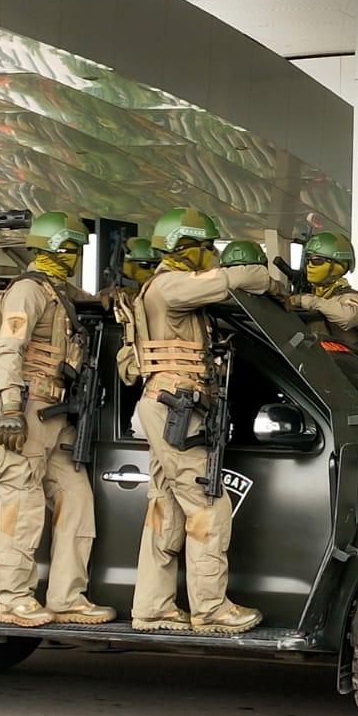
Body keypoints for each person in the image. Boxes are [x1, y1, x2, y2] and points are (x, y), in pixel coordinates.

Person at [130, 207, 279, 634]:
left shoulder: (173, 291)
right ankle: (210, 609)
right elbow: (232, 280)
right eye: (202, 247)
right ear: (182, 247)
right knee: (209, 506)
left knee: (167, 509)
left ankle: (154, 607)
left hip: (173, 405)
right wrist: (266, 280)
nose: (208, 256)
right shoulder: (171, 286)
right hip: (174, 407)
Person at [0, 210, 111, 629]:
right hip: (26, 409)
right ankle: (14, 598)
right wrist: (12, 408)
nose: (74, 257)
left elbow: (82, 300)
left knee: (76, 498)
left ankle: (67, 597)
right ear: (56, 248)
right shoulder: (27, 292)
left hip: (53, 413)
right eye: (71, 249)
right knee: (24, 504)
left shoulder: (55, 292)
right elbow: (7, 352)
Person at [288, 230, 358, 360]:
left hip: (355, 373)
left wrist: (306, 300)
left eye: (317, 261)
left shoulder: (349, 297)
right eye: (308, 260)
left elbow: (348, 317)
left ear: (339, 266)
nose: (309, 266)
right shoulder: (316, 294)